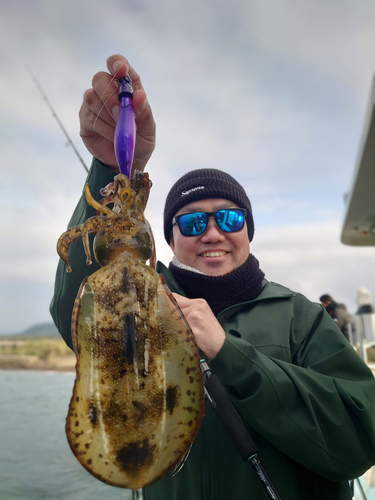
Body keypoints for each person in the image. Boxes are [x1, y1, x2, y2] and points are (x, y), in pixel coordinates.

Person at [50, 55, 375, 500]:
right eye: (192, 223)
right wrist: (113, 168)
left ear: (248, 228)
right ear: (166, 239)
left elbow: (360, 437)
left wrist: (229, 354)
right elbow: (76, 297)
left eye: (228, 217)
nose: (213, 233)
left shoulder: (302, 318)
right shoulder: (137, 306)